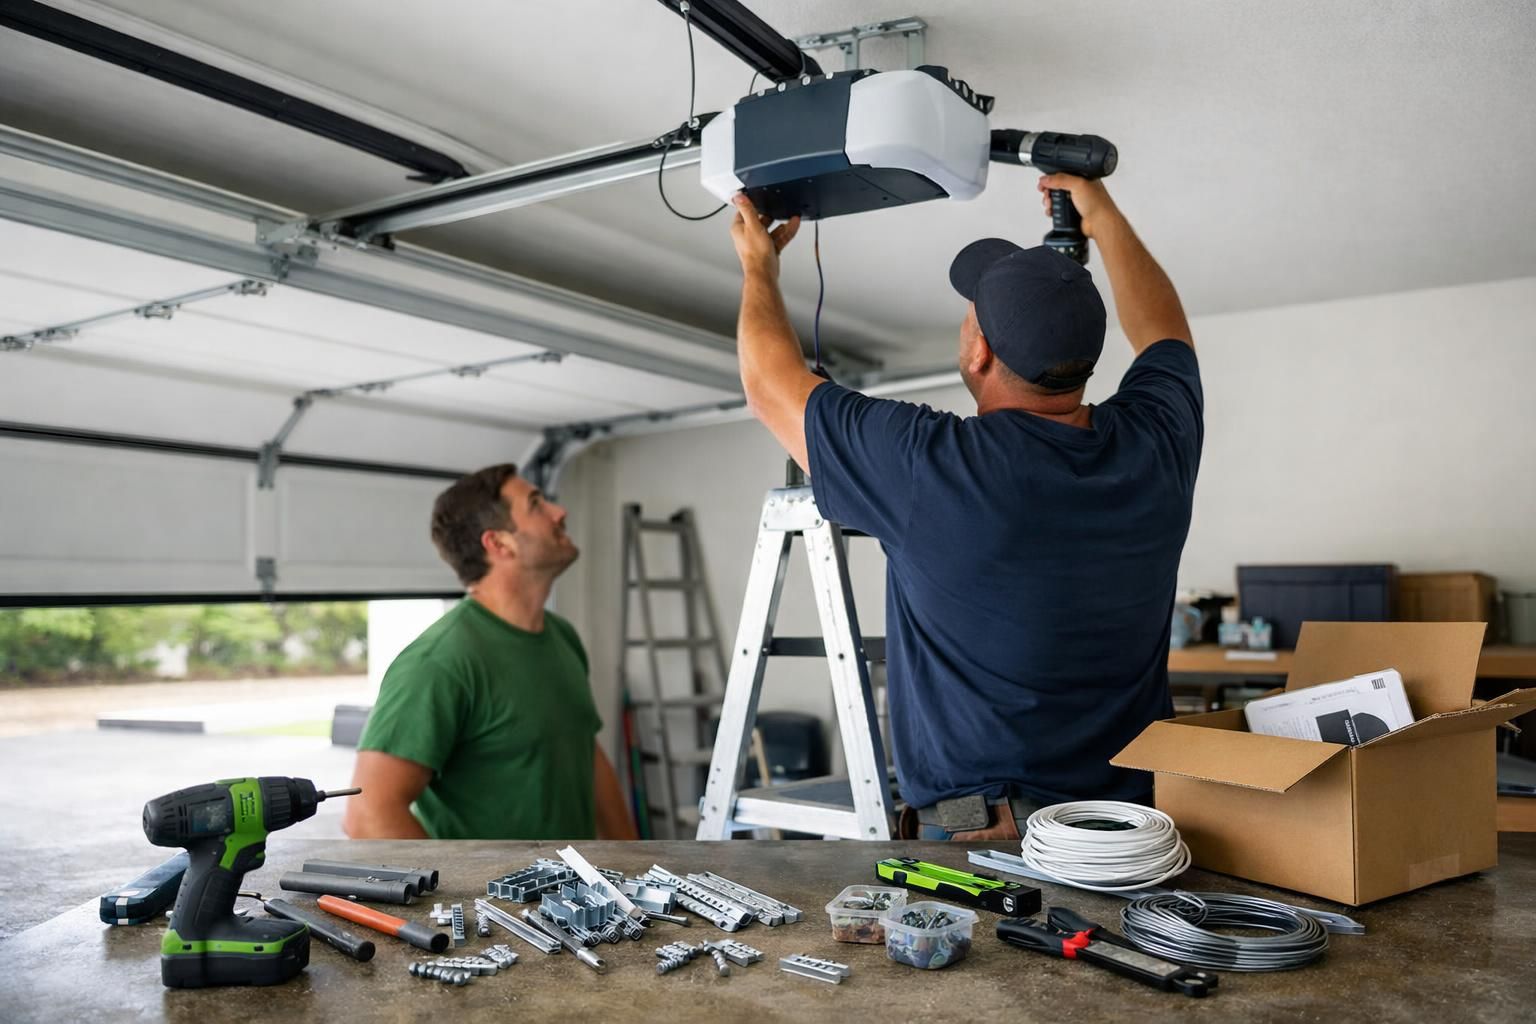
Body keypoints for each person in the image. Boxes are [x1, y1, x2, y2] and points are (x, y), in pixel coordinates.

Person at [727, 173, 1201, 841]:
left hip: (991, 850)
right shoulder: (1156, 444)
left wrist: (759, 266)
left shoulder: (934, 465)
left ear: (979, 352)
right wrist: (1105, 216)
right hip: (1131, 840)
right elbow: (1165, 334)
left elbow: (767, 384)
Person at [343, 463, 637, 840]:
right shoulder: (440, 661)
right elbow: (368, 815)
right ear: (498, 543)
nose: (559, 512)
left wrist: (634, 861)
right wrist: (458, 880)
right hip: (490, 884)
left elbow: (584, 753)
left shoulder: (562, 636)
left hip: (572, 881)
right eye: (536, 504)